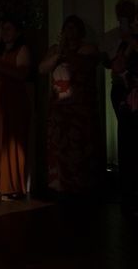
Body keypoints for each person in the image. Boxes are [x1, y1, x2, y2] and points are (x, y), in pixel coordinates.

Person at [39, 15, 103, 197]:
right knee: (59, 147)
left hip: (81, 110)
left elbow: (94, 55)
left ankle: (83, 186)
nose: (70, 31)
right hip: (60, 110)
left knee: (81, 147)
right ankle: (60, 184)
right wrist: (59, 52)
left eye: (73, 28)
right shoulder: (56, 50)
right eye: (67, 28)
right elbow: (42, 68)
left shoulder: (87, 49)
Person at [0, 18, 31, 201]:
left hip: (14, 99)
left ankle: (12, 186)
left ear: (17, 32)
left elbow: (22, 73)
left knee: (11, 140)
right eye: (3, 29)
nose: (5, 33)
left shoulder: (22, 49)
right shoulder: (0, 51)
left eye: (9, 29)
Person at [102, 0, 138, 217]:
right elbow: (112, 63)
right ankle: (128, 192)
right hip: (124, 93)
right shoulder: (115, 37)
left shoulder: (132, 37)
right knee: (127, 140)